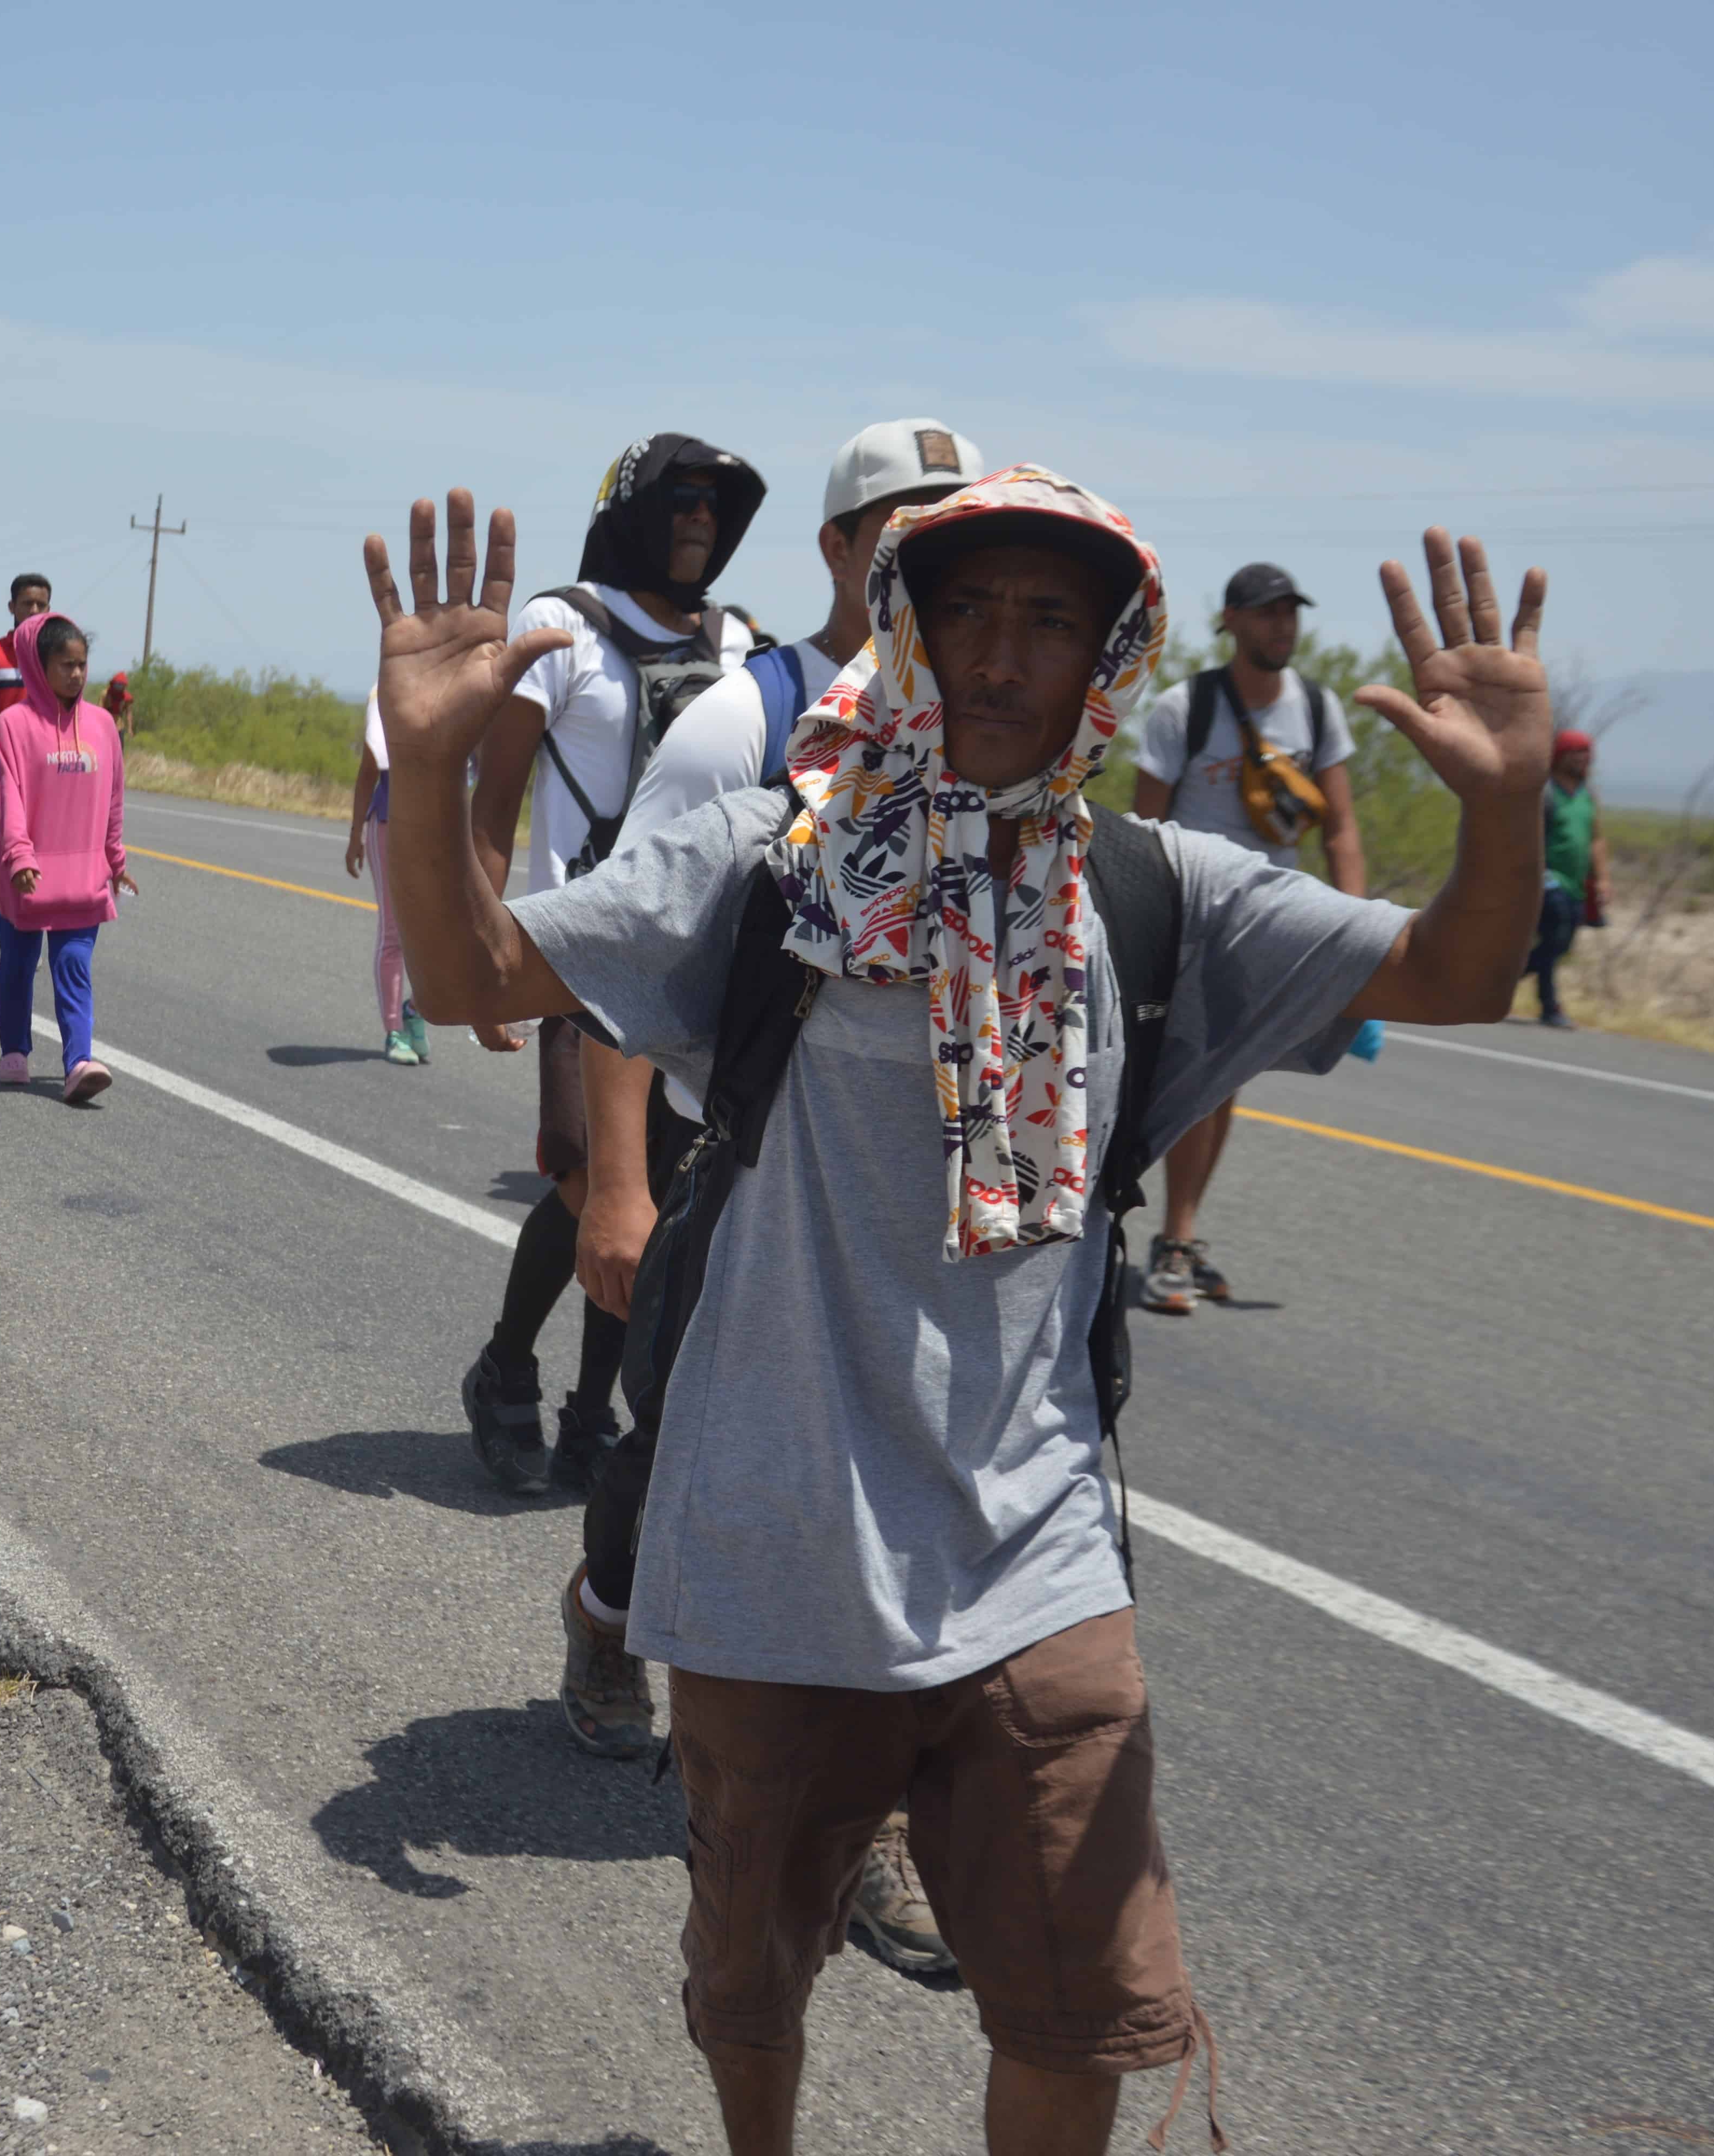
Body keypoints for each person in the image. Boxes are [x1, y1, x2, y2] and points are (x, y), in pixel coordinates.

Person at [371, 475, 1549, 2156]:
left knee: (1083, 1998)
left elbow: (1449, 974)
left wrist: (1500, 816)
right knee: (753, 1974)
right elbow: (483, 974)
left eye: (1050, 615)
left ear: (1108, 655)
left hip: (1033, 1548)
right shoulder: (768, 865)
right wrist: (430, 772)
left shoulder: (1151, 894)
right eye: (970, 608)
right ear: (907, 631)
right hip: (772, 1530)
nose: (1004, 649)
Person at [560, 421, 984, 1973]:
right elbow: (623, 967)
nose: (928, 559)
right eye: (900, 531)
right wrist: (616, 1184)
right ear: (836, 550)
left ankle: (865, 1814)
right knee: (673, 1438)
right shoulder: (749, 718)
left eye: (956, 531)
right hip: (721, 1158)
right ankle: (607, 1616)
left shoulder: (994, 728)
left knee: (881, 1467)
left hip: (901, 1179)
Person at [459, 432, 765, 1501]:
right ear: (629, 506)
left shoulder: (743, 644)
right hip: (575, 956)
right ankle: (504, 1366)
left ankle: (593, 1415)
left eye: (714, 503)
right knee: (593, 1180)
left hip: (698, 970)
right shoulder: (562, 624)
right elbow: (491, 803)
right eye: (678, 497)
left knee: (658, 1205)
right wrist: (472, 956)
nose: (698, 516)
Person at [1125, 561, 1371, 1316]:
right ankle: (1164, 1235)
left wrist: (1355, 937)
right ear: (1229, 620)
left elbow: (1342, 829)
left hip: (1274, 922)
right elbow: (1143, 829)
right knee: (1183, 1083)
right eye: (1266, 613)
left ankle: (1178, 1237)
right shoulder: (1185, 709)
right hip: (1192, 918)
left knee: (1221, 1083)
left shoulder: (1318, 710)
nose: (1282, 625)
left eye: (1291, 612)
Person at [0, 611, 133, 1103]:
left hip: (82, 875)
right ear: (37, 664)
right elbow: (9, 799)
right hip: (25, 873)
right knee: (19, 964)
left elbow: (113, 799)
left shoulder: (103, 725)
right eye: (65, 665)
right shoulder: (13, 725)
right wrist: (20, 858)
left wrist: (116, 859)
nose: (76, 674)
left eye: (82, 665)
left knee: (73, 963)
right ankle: (15, 1051)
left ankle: (78, 1063)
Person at [344, 690, 429, 1064]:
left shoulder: (448, 686)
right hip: (389, 823)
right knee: (395, 932)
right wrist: (355, 837)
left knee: (433, 937)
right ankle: (394, 1031)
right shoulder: (384, 695)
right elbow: (369, 770)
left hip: (435, 827)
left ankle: (416, 1010)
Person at [1531, 725, 1608, 1027]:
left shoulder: (1587, 796)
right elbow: (1530, 838)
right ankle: (1550, 1007)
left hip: (1578, 885)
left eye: (1587, 753)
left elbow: (1597, 839)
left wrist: (1602, 879)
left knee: (1561, 945)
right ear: (1561, 757)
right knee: (1556, 932)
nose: (1584, 759)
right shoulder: (1546, 793)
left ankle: (1503, 980)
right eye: (1577, 753)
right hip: (1548, 880)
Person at [0, 573, 51, 717]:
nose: (34, 611)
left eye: (41, 605)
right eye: (28, 604)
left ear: (48, 610)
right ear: (12, 607)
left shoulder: (57, 658)